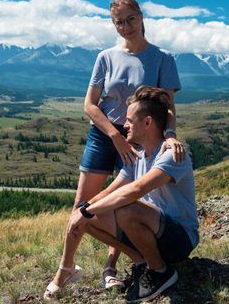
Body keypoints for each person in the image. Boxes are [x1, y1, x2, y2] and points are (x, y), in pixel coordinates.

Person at [45, 0, 186, 295]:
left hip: (141, 135)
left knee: (125, 201)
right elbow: (90, 105)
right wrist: (114, 135)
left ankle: (113, 268)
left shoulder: (163, 58)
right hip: (105, 133)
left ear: (141, 16)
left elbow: (168, 106)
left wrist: (170, 134)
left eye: (130, 19)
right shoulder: (105, 57)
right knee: (83, 205)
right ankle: (66, 270)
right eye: (118, 22)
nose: (125, 26)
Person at [46, 86, 199, 303]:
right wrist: (81, 210)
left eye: (129, 119)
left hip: (179, 240)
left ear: (147, 123)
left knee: (126, 207)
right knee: (86, 217)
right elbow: (109, 192)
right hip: (154, 231)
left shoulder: (172, 154)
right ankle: (140, 261)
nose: (124, 125)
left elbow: (136, 190)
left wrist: (87, 211)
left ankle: (160, 272)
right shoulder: (137, 157)